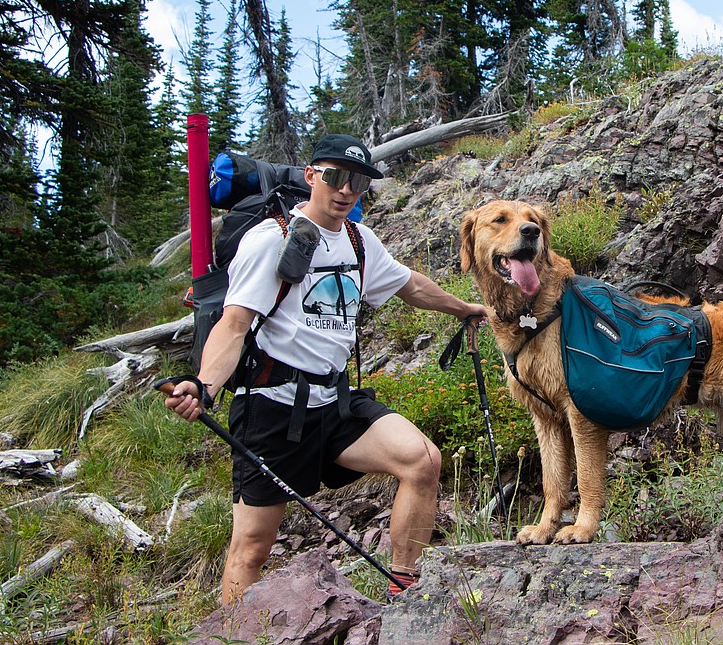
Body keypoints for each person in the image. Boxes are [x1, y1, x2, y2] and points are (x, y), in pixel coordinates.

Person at [164, 133, 486, 604]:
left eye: (357, 181)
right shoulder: (268, 240)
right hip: (273, 408)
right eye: (335, 177)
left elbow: (408, 285)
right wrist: (203, 384)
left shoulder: (359, 239)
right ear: (312, 175)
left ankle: (405, 590)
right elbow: (234, 325)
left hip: (334, 402)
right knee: (251, 548)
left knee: (422, 460)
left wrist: (463, 309)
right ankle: (231, 633)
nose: (346, 190)